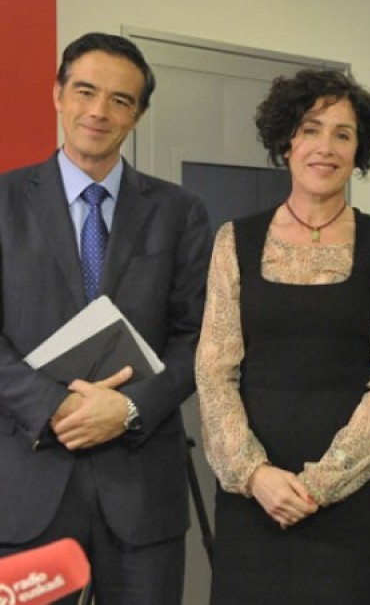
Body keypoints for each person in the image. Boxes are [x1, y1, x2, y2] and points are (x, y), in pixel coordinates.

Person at [0, 32, 212, 604]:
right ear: (58, 94)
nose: (98, 111)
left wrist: (130, 408)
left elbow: (197, 337)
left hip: (141, 489)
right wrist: (56, 406)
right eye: (85, 91)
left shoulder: (180, 212)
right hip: (26, 486)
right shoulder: (4, 201)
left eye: (120, 100)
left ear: (137, 115)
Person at [195, 68, 370, 604]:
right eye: (311, 129)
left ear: (359, 151)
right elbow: (213, 369)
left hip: (353, 500)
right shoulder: (234, 241)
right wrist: (256, 475)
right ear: (286, 141)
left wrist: (322, 483)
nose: (326, 147)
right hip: (255, 498)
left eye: (343, 134)